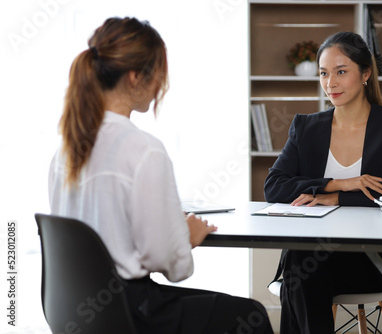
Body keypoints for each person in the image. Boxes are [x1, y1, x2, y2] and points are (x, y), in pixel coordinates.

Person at [49, 17, 273, 334]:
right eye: (158, 74)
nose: (160, 85)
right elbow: (173, 266)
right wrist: (185, 237)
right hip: (131, 313)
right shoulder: (144, 150)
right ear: (135, 77)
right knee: (251, 315)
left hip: (74, 311)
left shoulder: (66, 152)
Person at [264, 31, 382, 334]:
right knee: (302, 264)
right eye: (324, 73)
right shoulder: (305, 127)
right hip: (314, 257)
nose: (330, 83)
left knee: (299, 277)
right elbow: (274, 186)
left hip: (377, 260)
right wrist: (339, 184)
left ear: (365, 73)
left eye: (341, 72)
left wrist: (333, 199)